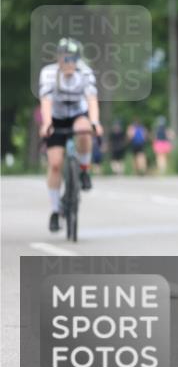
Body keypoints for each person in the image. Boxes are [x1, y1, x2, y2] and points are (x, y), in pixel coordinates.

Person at [37, 38, 102, 233]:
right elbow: (46, 100)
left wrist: (95, 122)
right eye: (65, 58)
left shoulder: (85, 72)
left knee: (84, 130)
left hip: (76, 114)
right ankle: (56, 210)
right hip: (56, 117)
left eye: (73, 59)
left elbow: (91, 99)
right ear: (58, 59)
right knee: (55, 164)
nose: (69, 63)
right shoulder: (48, 73)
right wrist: (47, 123)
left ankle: (83, 170)